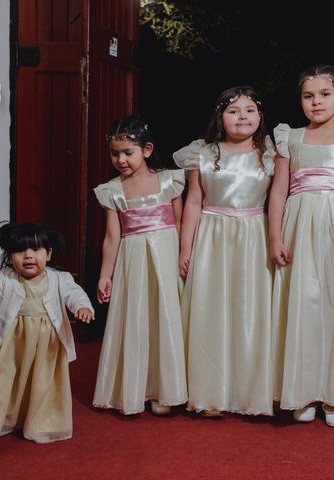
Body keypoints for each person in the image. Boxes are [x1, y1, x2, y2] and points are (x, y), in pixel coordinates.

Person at [269, 65, 334, 427]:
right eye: (308, 95)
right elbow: (279, 191)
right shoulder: (290, 138)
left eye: (325, 94)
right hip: (300, 227)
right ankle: (303, 391)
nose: (316, 102)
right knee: (304, 304)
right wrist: (275, 235)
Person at [174, 86, 275, 417]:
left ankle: (250, 392)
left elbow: (280, 200)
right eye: (233, 110)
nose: (242, 116)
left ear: (260, 117)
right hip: (212, 236)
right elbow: (193, 201)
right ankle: (209, 393)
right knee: (211, 310)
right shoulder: (202, 154)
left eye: (249, 110)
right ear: (220, 117)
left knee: (250, 311)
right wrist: (185, 247)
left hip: (254, 236)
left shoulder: (272, 154)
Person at [92, 115, 187, 415]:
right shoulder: (112, 190)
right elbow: (111, 236)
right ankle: (138, 387)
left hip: (166, 252)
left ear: (146, 150)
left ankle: (165, 389)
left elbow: (182, 221)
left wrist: (186, 254)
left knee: (166, 317)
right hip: (133, 258)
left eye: (128, 152)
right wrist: (105, 276)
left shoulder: (169, 180)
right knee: (137, 317)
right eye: (114, 153)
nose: (120, 160)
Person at [0, 222, 94, 450]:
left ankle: (41, 424)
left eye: (36, 250)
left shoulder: (60, 278)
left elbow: (75, 294)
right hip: (13, 343)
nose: (28, 256)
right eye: (20, 251)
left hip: (47, 346)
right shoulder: (5, 278)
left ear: (48, 254)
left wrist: (82, 308)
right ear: (9, 256)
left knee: (42, 384)